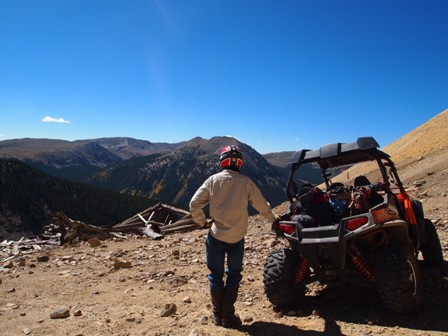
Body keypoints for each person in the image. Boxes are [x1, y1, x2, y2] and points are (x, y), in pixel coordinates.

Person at [189, 145, 278, 328]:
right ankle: (228, 316)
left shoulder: (213, 180)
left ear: (223, 161)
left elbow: (194, 204)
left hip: (216, 236)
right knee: (234, 275)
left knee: (215, 275)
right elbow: (262, 206)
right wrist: (274, 221)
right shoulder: (246, 182)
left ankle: (217, 315)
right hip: (237, 237)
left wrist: (203, 222)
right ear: (240, 163)